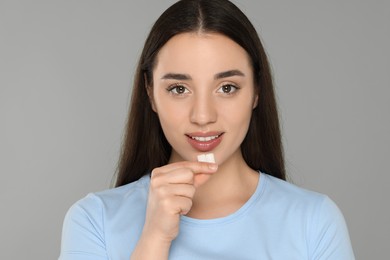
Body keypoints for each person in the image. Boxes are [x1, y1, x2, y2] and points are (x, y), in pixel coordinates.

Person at [59, 0, 355, 259]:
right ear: (150, 93)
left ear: (256, 92)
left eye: (227, 88)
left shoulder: (313, 221)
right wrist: (154, 239)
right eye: (178, 88)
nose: (203, 116)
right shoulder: (94, 220)